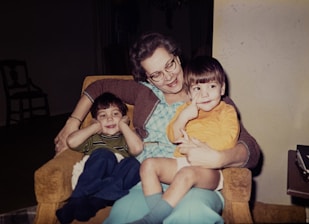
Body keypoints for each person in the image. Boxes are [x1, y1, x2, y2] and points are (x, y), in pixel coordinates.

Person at [54, 32, 261, 223]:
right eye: (156, 74)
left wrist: (219, 158)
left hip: (195, 181)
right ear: (147, 78)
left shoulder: (207, 95)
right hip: (147, 182)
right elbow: (97, 87)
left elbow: (251, 151)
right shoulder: (144, 93)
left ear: (177, 57)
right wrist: (72, 122)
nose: (168, 77)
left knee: (192, 216)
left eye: (170, 64)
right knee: (122, 216)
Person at [131, 56, 240, 224]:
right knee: (148, 165)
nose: (205, 94)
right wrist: (184, 117)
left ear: (222, 88)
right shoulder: (185, 108)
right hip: (181, 162)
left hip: (210, 170)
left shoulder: (226, 111)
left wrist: (202, 147)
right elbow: (172, 136)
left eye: (212, 86)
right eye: (197, 88)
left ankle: (151, 220)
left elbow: (230, 138)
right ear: (189, 92)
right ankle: (158, 214)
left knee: (186, 173)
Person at [56, 92, 143, 223]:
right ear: (96, 120)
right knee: (104, 154)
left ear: (124, 118)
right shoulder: (94, 139)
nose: (109, 119)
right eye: (103, 115)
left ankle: (96, 202)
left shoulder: (126, 139)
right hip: (90, 180)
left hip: (113, 183)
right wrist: (94, 126)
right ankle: (77, 199)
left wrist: (124, 126)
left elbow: (137, 149)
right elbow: (71, 142)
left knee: (134, 164)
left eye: (115, 114)